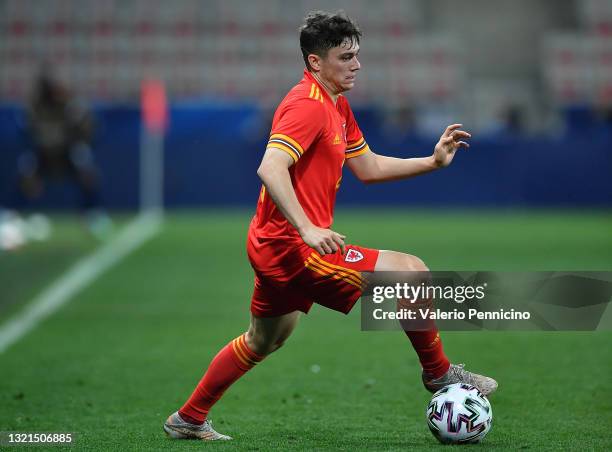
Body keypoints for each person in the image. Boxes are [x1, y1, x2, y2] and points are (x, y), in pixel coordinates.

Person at [164, 11, 497, 441]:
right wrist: (306, 228)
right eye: (345, 56)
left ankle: (188, 418)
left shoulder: (336, 104)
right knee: (410, 270)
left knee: (263, 340)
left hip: (272, 241)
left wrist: (431, 161)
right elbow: (270, 167)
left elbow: (370, 167)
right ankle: (438, 374)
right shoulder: (307, 106)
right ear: (316, 62)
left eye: (357, 55)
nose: (356, 64)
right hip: (293, 246)